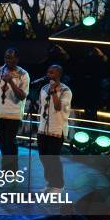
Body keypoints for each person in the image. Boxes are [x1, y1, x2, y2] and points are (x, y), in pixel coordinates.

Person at [0, 48, 30, 180]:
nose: (8, 60)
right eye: (6, 57)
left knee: (10, 142)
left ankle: (13, 171)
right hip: (0, 113)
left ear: (17, 59)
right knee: (2, 143)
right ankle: (6, 170)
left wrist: (11, 81)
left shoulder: (23, 74)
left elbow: (22, 96)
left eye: (11, 58)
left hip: (14, 114)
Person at [37, 65, 72, 193]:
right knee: (43, 157)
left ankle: (58, 185)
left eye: (52, 72)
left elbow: (58, 107)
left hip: (57, 129)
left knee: (53, 158)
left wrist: (53, 92)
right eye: (48, 71)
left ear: (58, 75)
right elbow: (41, 108)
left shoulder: (66, 91)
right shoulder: (43, 88)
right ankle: (50, 182)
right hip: (42, 129)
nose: (49, 74)